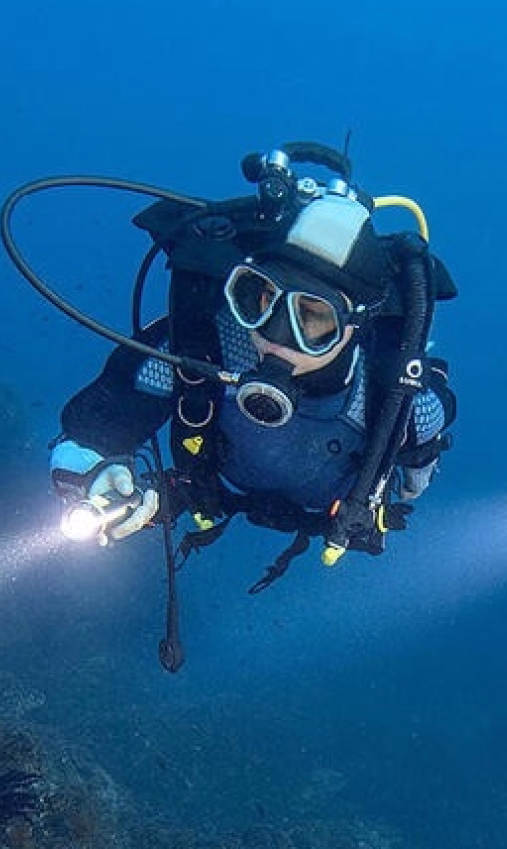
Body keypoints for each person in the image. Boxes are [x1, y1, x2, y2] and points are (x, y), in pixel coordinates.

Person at [45, 144, 458, 598]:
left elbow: (420, 463)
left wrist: (410, 485)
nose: (277, 335)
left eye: (313, 318)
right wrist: (93, 477)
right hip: (207, 489)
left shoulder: (397, 399)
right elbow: (85, 434)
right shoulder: (201, 348)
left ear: (355, 326)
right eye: (260, 298)